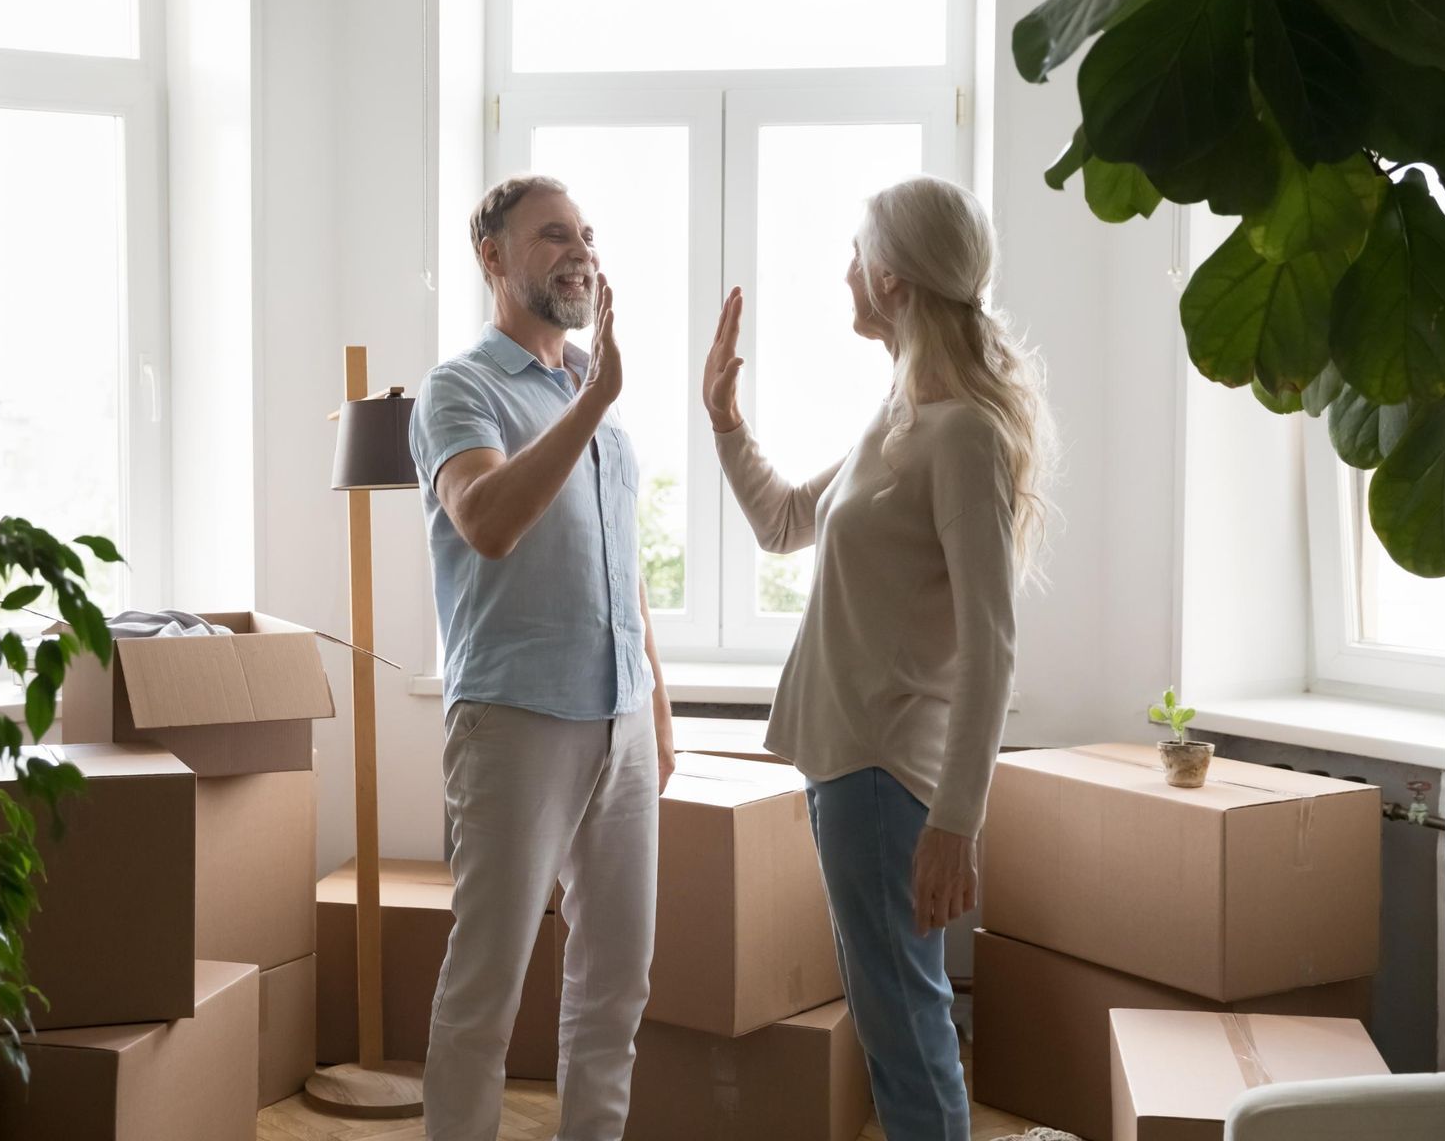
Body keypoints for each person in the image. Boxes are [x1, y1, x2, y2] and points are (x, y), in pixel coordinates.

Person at [701, 175, 1054, 1141]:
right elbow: (781, 523)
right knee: (902, 1019)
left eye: (856, 252)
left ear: (891, 277)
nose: (844, 270)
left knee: (905, 1030)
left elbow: (993, 644)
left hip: (885, 780)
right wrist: (726, 422)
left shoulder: (961, 435)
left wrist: (957, 821)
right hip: (850, 769)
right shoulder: (899, 418)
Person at [409, 175, 676, 1141]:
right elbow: (484, 520)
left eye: (587, 236)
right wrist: (595, 399)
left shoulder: (592, 403)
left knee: (615, 989)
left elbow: (621, 558)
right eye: (553, 235)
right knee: (485, 991)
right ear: (493, 256)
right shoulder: (460, 389)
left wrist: (658, 704)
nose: (580, 251)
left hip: (623, 725)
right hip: (514, 720)